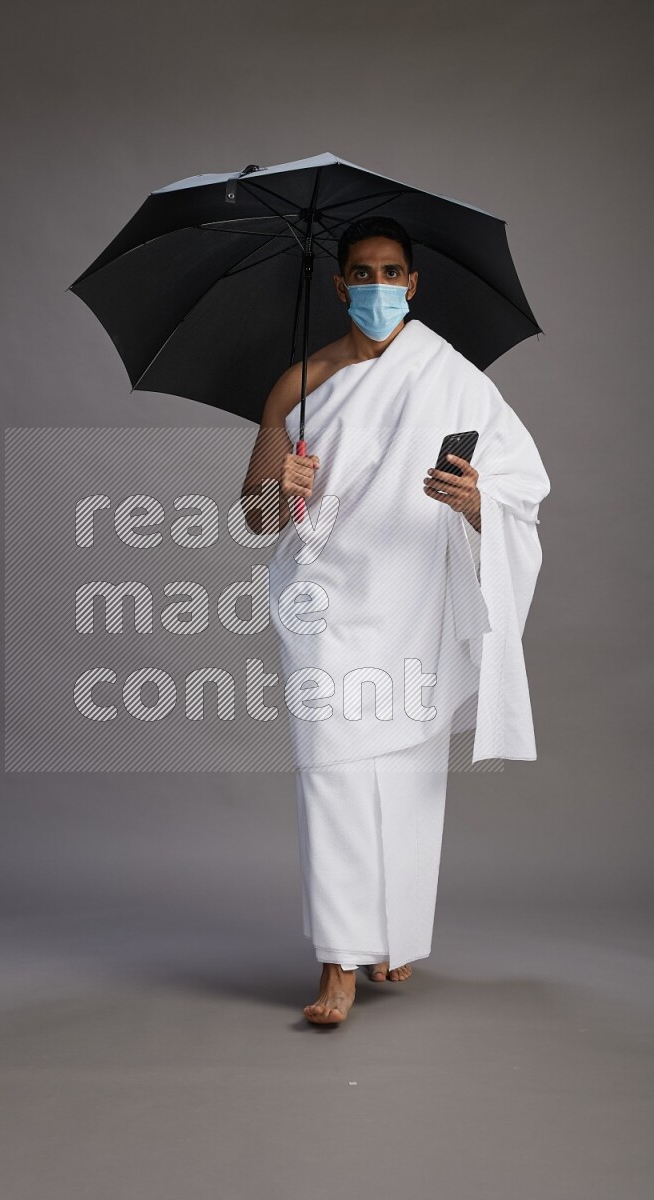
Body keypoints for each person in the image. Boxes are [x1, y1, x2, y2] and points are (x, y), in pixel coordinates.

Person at [240, 216, 550, 1025]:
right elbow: (256, 515)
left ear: (412, 284)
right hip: (325, 607)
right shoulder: (297, 384)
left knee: (409, 774)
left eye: (391, 273)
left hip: (412, 597)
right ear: (339, 284)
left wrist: (478, 502)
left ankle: (393, 936)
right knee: (332, 773)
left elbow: (521, 487)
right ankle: (338, 965)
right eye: (362, 274)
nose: (377, 288)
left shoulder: (453, 377)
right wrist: (288, 482)